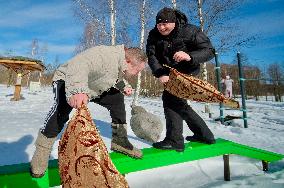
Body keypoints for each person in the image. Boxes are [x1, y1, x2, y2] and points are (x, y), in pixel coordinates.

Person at [30, 45, 147, 178]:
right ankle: (42, 152)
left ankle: (120, 141)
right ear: (129, 62)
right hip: (67, 79)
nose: (137, 74)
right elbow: (79, 64)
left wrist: (124, 86)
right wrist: (78, 90)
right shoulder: (105, 55)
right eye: (138, 71)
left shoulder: (120, 63)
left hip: (91, 87)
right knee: (61, 112)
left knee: (117, 100)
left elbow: (114, 78)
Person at [146, 7, 216, 152]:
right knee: (178, 103)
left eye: (165, 24)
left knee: (171, 100)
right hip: (167, 72)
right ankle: (204, 134)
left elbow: (209, 51)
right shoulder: (153, 34)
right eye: (159, 24)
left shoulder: (190, 31)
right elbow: (151, 56)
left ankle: (175, 141)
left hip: (187, 71)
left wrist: (189, 56)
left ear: (173, 22)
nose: (161, 27)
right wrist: (160, 73)